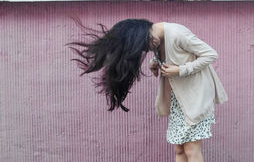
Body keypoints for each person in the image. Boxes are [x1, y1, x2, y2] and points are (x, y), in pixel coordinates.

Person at [66, 17, 228, 162]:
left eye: (147, 46)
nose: (149, 48)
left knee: (191, 150)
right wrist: (155, 62)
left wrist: (180, 70)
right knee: (179, 149)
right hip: (180, 101)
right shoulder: (155, 38)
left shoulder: (178, 33)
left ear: (143, 34)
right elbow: (175, 54)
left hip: (197, 97)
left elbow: (210, 54)